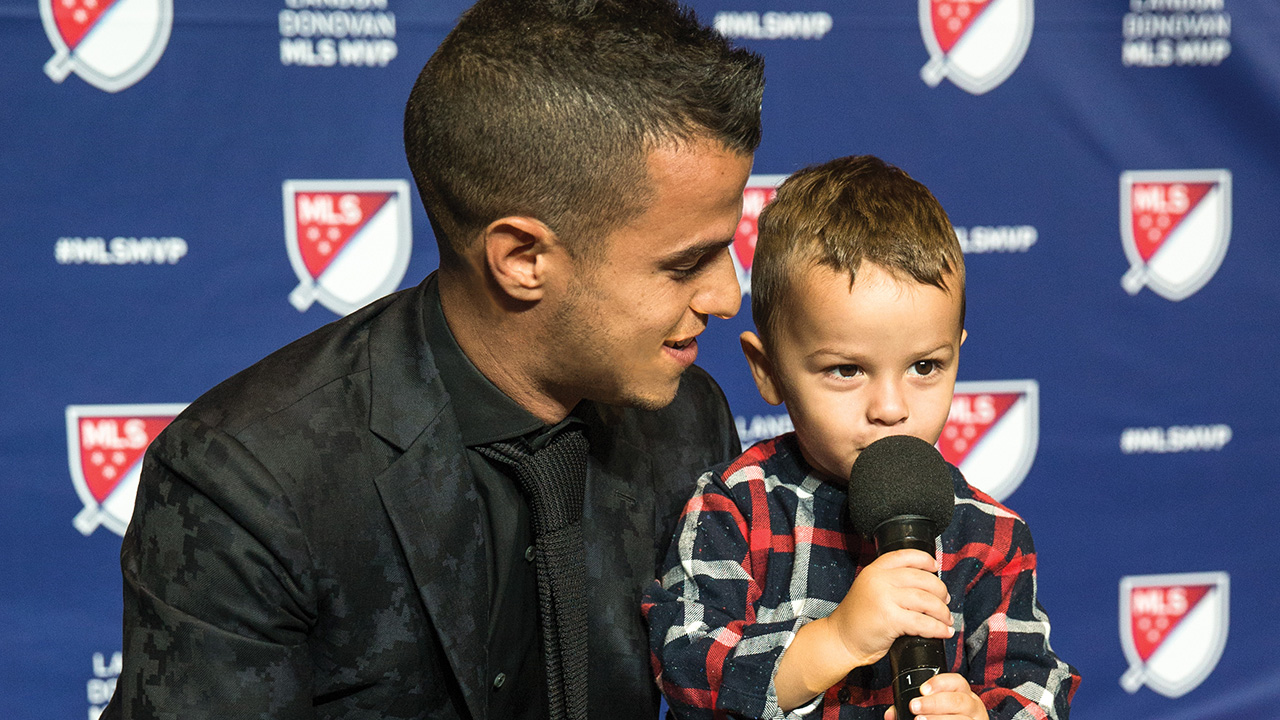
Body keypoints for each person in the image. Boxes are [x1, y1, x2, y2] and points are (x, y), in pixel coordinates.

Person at [103, 1, 764, 718]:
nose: (728, 296)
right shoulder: (249, 483)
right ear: (522, 259)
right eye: (686, 263)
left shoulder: (688, 417)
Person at [643, 155, 1080, 720]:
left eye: (925, 366)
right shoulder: (735, 507)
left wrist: (981, 714)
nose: (891, 409)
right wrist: (837, 640)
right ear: (768, 371)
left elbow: (1035, 686)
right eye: (847, 370)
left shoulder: (989, 535)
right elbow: (687, 669)